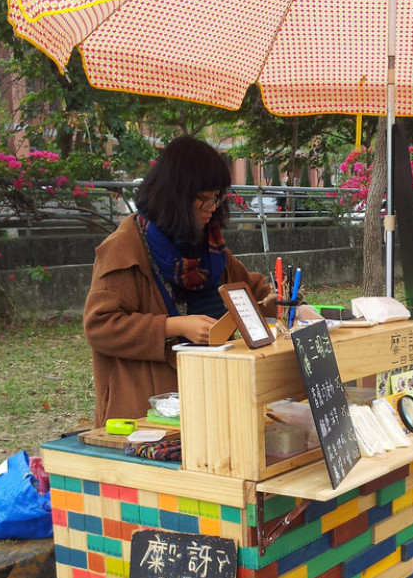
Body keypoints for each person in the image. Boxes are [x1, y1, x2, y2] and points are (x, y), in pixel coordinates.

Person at [84, 136, 274, 427]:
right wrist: (173, 326)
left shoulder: (209, 247)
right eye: (204, 198)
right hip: (147, 411)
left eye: (217, 198)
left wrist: (286, 303)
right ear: (176, 195)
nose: (212, 208)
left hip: (208, 394)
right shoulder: (124, 248)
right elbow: (100, 326)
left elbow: (250, 288)